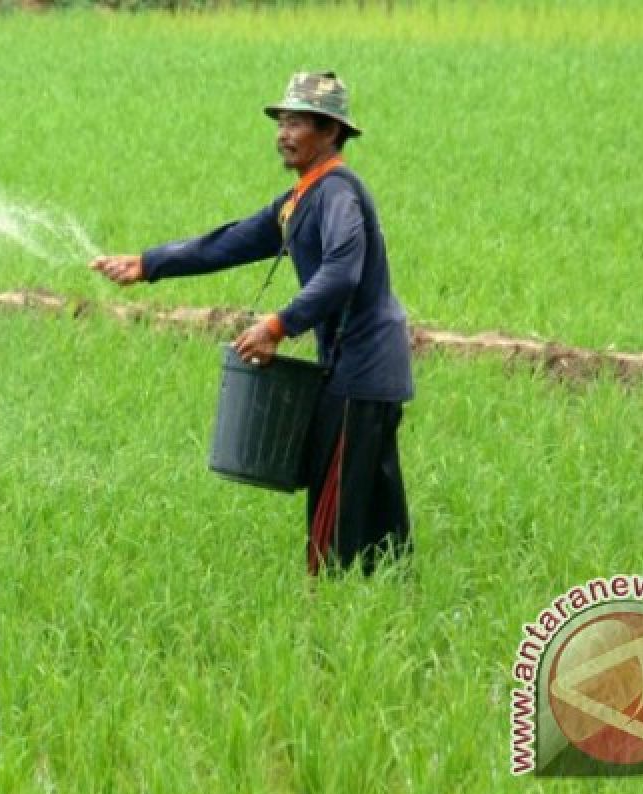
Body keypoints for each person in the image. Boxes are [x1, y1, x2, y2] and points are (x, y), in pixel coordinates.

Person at [90, 71, 414, 576]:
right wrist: (149, 264)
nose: (284, 133)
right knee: (370, 491)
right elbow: (232, 241)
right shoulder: (302, 197)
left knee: (339, 497)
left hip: (363, 367)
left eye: (298, 122)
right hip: (362, 366)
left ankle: (334, 596)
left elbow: (341, 273)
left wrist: (278, 325)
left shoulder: (337, 194)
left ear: (330, 132)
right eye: (282, 121)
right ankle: (391, 586)